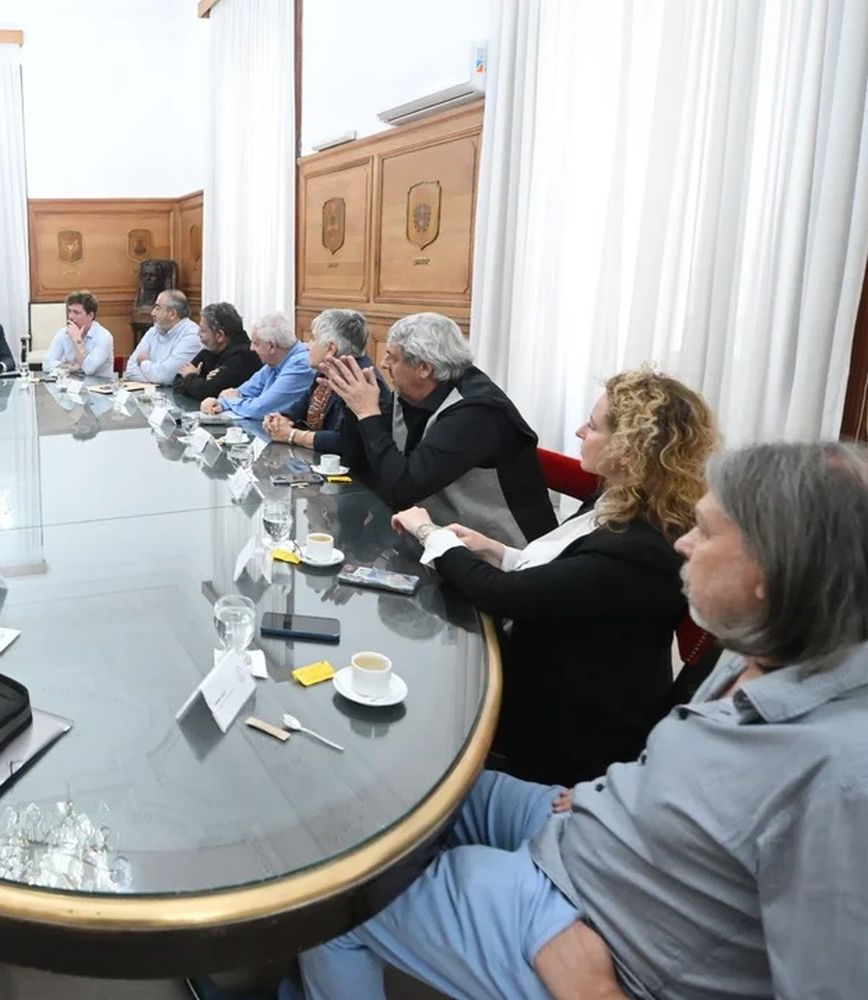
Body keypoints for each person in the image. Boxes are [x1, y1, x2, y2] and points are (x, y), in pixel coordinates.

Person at [278, 441, 868, 1000]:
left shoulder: (841, 776)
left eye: (706, 532)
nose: (683, 544)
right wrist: (609, 795)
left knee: (338, 904)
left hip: (600, 927)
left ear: (772, 571)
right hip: (590, 824)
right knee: (402, 784)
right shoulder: (765, 646)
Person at [392, 369, 718, 784]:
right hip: (560, 682)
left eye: (594, 426)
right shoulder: (625, 498)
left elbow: (502, 595)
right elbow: (567, 575)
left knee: (422, 720)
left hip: (567, 738)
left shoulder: (642, 546)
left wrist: (429, 532)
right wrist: (493, 548)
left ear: (629, 450)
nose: (580, 431)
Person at [321, 311, 555, 547]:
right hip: (436, 537)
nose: (383, 363)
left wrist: (366, 412)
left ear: (424, 368)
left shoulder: (476, 412)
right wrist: (352, 405)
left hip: (502, 552)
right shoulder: (413, 394)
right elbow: (366, 464)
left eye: (393, 357)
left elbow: (403, 489)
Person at [261, 309, 382, 457]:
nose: (307, 345)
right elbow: (300, 407)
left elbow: (344, 441)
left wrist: (292, 435)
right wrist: (281, 419)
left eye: (313, 339)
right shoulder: (326, 371)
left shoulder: (362, 382)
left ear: (331, 348)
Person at [200, 311, 315, 420]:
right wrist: (219, 403)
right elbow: (243, 391)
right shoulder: (274, 362)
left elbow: (261, 409)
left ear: (272, 346)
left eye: (256, 343)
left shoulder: (301, 365)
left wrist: (228, 401)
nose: (251, 348)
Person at [174, 301, 261, 400]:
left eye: (203, 330)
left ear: (220, 335)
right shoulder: (209, 351)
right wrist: (201, 381)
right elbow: (178, 381)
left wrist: (191, 376)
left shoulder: (244, 357)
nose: (198, 334)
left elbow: (208, 392)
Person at [126, 289, 201, 383]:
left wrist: (144, 363)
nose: (152, 313)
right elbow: (130, 370)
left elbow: (166, 376)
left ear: (172, 314)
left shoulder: (192, 335)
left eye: (157, 308)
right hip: (150, 392)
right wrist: (155, 378)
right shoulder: (153, 331)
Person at [42, 290, 115, 378]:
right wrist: (70, 368)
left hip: (98, 387)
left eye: (76, 313)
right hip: (72, 385)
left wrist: (77, 340)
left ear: (90, 315)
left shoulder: (104, 337)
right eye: (69, 311)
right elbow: (46, 363)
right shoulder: (63, 333)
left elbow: (88, 369)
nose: (71, 317)